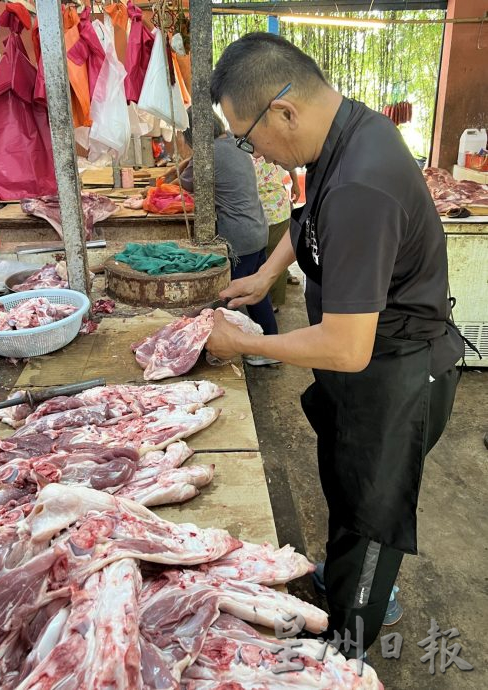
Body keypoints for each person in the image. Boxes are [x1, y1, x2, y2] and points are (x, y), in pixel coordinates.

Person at [206, 32, 464, 657]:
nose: (253, 153)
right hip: (365, 364)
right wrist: (268, 273)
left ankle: (346, 650)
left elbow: (348, 347)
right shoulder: (340, 135)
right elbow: (308, 221)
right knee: (345, 489)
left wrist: (249, 343)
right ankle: (345, 577)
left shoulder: (361, 184)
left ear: (284, 111)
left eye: (247, 138)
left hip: (396, 372)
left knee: (371, 520)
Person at [165, 106, 279, 357]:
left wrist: (162, 183)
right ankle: (270, 349)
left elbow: (187, 183)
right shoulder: (233, 142)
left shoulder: (209, 154)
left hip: (240, 237)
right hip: (258, 229)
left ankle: (234, 347)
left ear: (193, 135)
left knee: (231, 297)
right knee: (256, 292)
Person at [252, 158, 301, 310]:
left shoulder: (269, 143)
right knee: (268, 255)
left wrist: (296, 183)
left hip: (274, 208)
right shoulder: (242, 147)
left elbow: (289, 161)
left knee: (275, 256)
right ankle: (268, 298)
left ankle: (272, 301)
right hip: (256, 208)